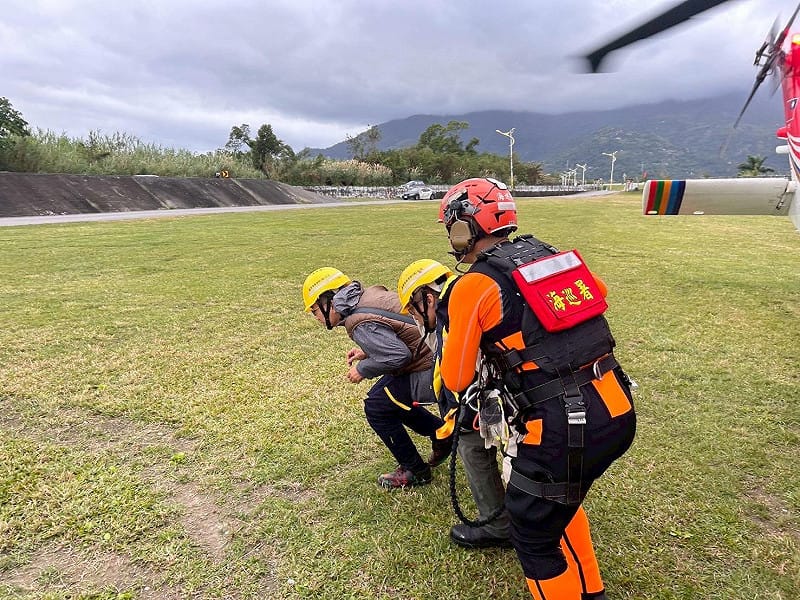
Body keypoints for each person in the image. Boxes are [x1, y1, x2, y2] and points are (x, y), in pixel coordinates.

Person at [438, 178, 637, 599]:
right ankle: (592, 592)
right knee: (560, 502)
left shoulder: (473, 285)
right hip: (616, 406)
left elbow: (456, 379)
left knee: (531, 532)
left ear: (464, 227)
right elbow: (597, 293)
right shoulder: (550, 256)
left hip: (564, 428)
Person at [302, 267, 452, 489]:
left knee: (377, 406)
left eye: (314, 310)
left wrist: (362, 369)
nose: (315, 317)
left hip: (435, 369)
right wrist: (368, 351)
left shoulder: (356, 321)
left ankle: (415, 469)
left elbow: (398, 355)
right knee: (385, 397)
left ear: (329, 301)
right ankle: (441, 434)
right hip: (438, 356)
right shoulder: (368, 295)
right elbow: (399, 330)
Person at [397, 259, 511, 549]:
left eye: (412, 310)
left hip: (496, 397)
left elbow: (460, 374)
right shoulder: (462, 293)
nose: (414, 318)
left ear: (428, 299)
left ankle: (498, 527)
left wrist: (458, 417)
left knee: (473, 447)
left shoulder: (452, 311)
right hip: (519, 387)